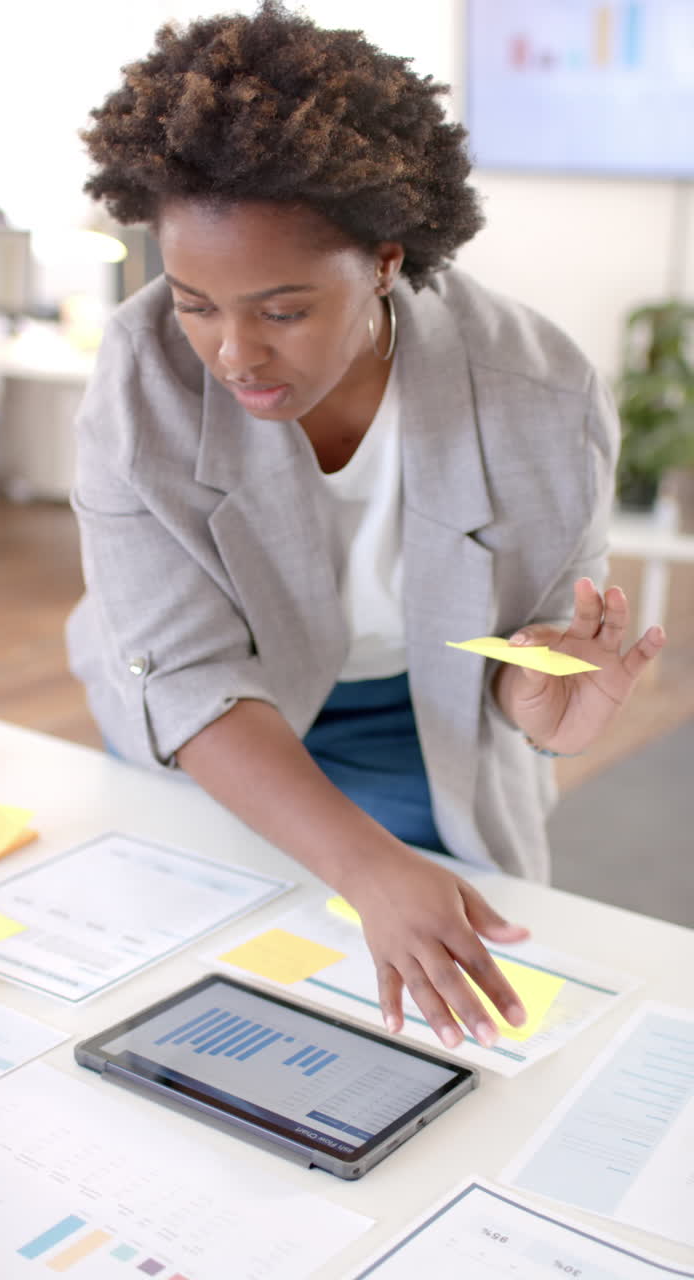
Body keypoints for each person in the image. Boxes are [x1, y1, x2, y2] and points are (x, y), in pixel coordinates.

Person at [67, 1, 665, 1055]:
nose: (233, 351)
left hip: (412, 724)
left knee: (446, 1009)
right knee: (181, 979)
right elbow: (184, 673)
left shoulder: (538, 391)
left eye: (284, 309)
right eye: (197, 299)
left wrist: (532, 694)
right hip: (212, 722)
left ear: (386, 261)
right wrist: (365, 862)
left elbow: (518, 646)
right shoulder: (139, 372)